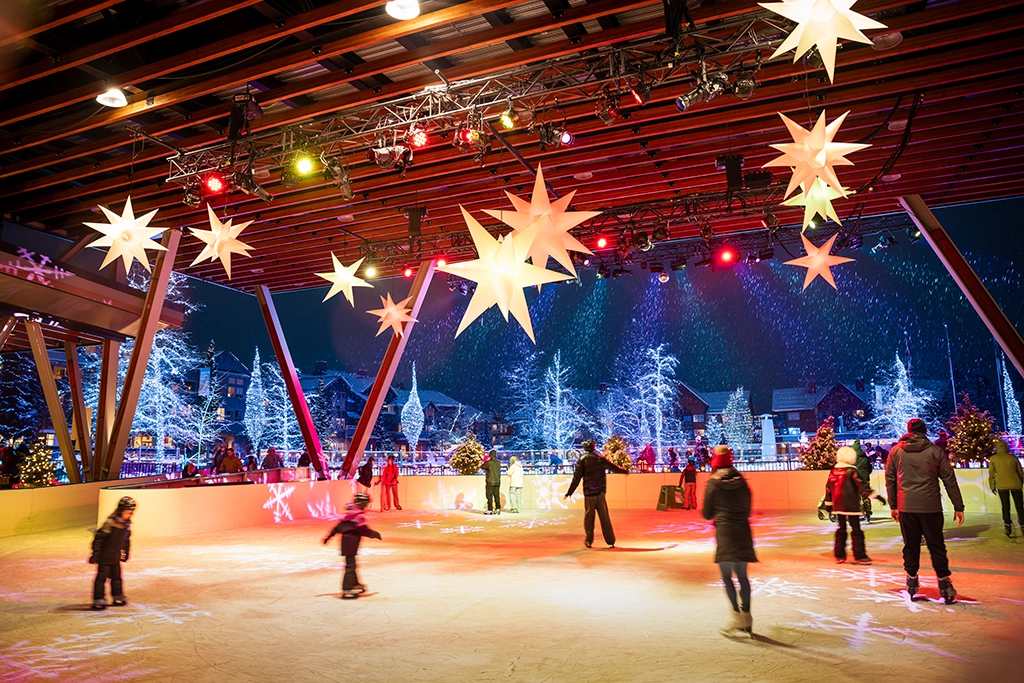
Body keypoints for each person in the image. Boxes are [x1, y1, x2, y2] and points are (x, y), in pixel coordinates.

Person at [885, 418, 965, 604]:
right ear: (925, 431)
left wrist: (893, 505)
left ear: (908, 430)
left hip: (907, 506)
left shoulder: (896, 452)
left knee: (911, 544)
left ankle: (911, 579)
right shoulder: (935, 452)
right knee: (936, 545)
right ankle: (944, 583)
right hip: (931, 506)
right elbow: (949, 479)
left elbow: (890, 480)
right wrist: (958, 506)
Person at [702, 446, 756, 637]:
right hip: (742, 530)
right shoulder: (741, 481)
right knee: (742, 576)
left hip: (725, 532)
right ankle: (747, 616)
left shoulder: (714, 482)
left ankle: (736, 615)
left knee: (727, 576)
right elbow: (748, 509)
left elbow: (707, 513)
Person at [565, 440, 628, 548]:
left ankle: (589, 540)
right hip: (600, 493)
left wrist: (570, 492)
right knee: (604, 517)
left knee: (589, 518)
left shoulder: (582, 460)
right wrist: (624, 471)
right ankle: (610, 540)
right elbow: (612, 467)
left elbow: (577, 478)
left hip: (589, 494)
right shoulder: (600, 459)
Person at [323, 492, 382, 599]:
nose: (366, 505)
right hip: (351, 543)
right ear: (361, 503)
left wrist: (328, 537)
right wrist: (374, 534)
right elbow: (362, 530)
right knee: (350, 566)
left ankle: (354, 583)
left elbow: (338, 527)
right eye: (366, 503)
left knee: (352, 564)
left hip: (347, 543)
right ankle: (347, 588)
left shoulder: (349, 515)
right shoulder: (358, 515)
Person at [826, 446, 877, 564]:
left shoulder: (833, 471)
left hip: (839, 506)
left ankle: (839, 555)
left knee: (841, 529)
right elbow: (861, 485)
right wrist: (874, 495)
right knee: (856, 529)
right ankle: (860, 556)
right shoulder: (852, 471)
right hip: (851, 505)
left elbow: (828, 488)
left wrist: (829, 503)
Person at [90, 496, 135, 610]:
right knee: (101, 579)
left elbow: (125, 540)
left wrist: (126, 552)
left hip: (115, 557)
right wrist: (95, 554)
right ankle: (98, 599)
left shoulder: (126, 525)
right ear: (121, 511)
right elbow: (99, 539)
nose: (130, 515)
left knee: (117, 578)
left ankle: (117, 596)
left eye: (131, 513)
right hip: (104, 557)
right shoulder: (110, 523)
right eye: (128, 512)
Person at [988, 437, 1024, 537]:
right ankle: (1023, 524)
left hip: (1002, 486)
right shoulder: (1013, 458)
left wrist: (992, 486)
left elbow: (991, 474)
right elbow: (1020, 472)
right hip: (1016, 484)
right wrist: (1021, 482)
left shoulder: (993, 459)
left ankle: (1007, 526)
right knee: (1020, 507)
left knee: (1005, 507)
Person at [481, 450, 502, 514]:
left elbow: (482, 466)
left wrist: (485, 459)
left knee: (489, 496)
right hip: (497, 481)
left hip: (490, 481)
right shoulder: (498, 463)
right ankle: (498, 508)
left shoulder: (489, 463)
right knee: (496, 496)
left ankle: (490, 509)